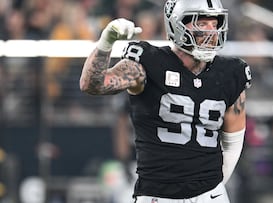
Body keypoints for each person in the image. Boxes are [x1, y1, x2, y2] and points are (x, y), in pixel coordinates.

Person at [79, 0, 252, 202]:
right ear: (176, 24)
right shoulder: (147, 62)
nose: (211, 31)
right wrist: (106, 43)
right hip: (157, 195)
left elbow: (233, 141)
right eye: (201, 23)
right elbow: (92, 85)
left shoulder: (231, 72)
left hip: (210, 195)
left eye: (215, 24)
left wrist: (213, 186)